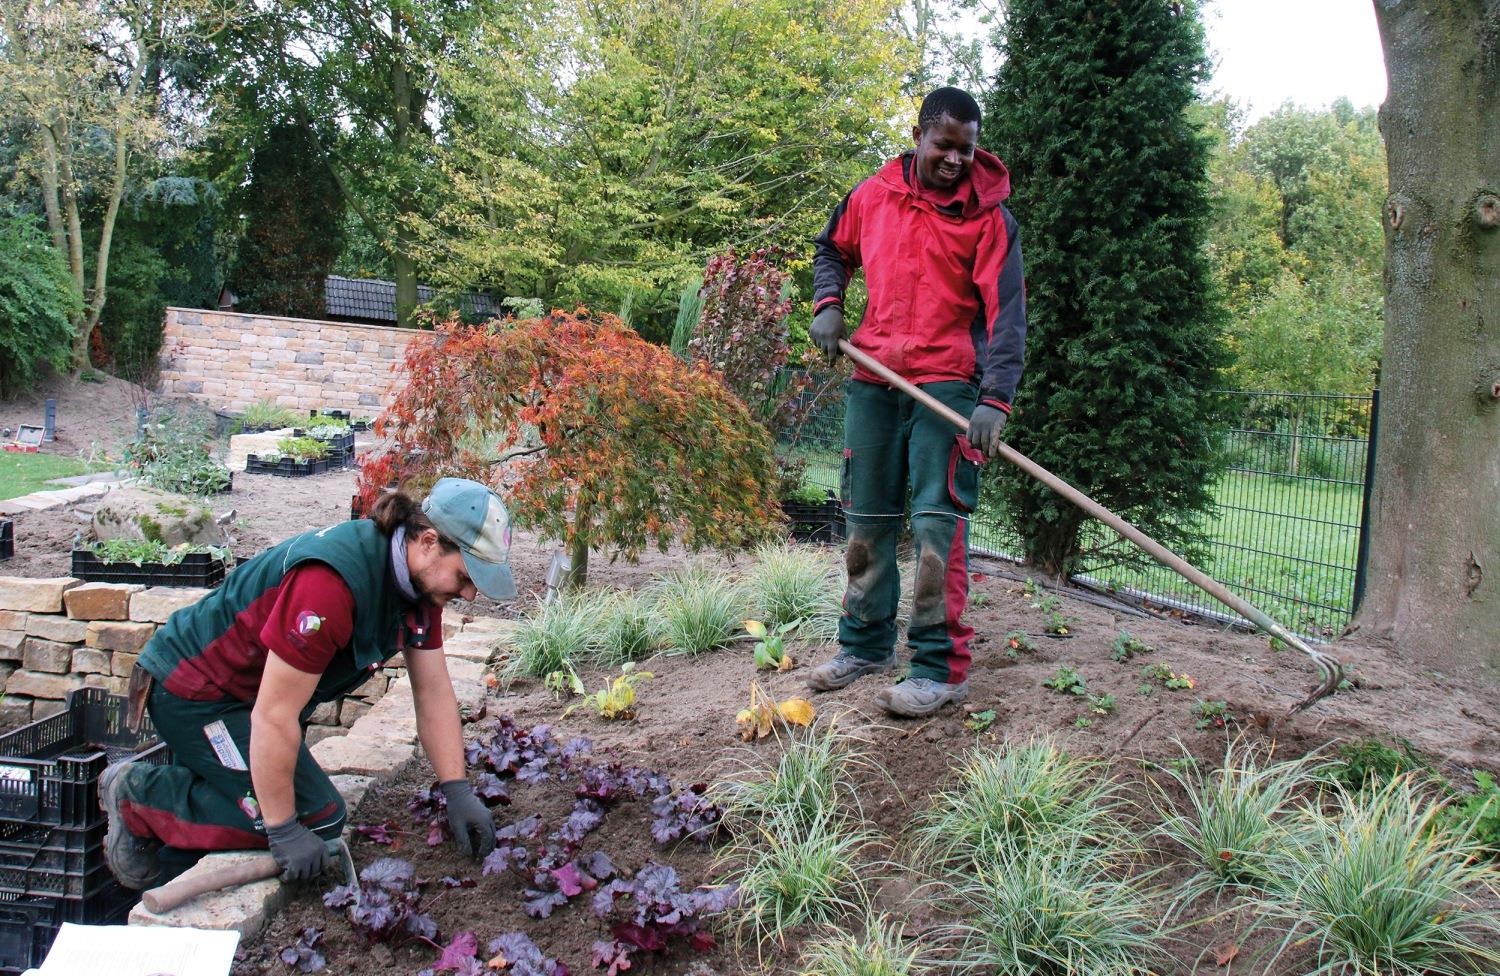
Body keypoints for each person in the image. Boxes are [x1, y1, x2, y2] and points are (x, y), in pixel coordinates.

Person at [99, 478, 516, 889]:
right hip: (196, 692)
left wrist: (457, 789)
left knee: (255, 800)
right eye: (464, 577)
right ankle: (137, 796)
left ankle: (173, 844)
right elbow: (275, 714)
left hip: (247, 699)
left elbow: (434, 693)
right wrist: (281, 828)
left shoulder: (417, 591)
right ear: (427, 542)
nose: (469, 594)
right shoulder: (330, 586)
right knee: (318, 817)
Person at [804, 86, 1028, 718]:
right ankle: (865, 646)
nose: (956, 159)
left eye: (968, 147)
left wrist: (995, 401)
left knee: (937, 526)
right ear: (919, 135)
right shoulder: (873, 196)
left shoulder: (989, 218)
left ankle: (939, 668)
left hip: (949, 385)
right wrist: (828, 307)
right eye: (945, 145)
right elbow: (832, 250)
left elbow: (1007, 316)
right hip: (875, 375)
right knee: (866, 519)